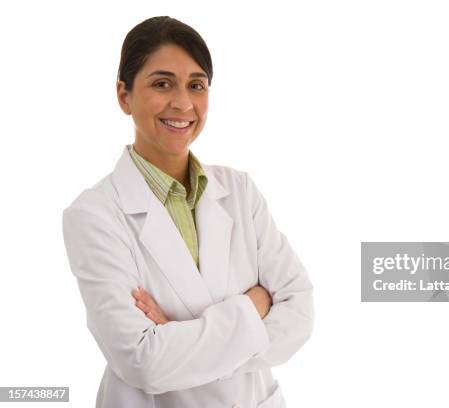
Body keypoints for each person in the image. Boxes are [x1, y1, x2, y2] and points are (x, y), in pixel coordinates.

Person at [62, 16, 314, 408]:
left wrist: (183, 336)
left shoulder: (240, 191)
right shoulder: (93, 215)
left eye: (196, 85)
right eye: (162, 84)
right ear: (123, 95)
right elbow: (144, 362)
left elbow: (300, 313)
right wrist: (254, 307)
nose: (183, 103)